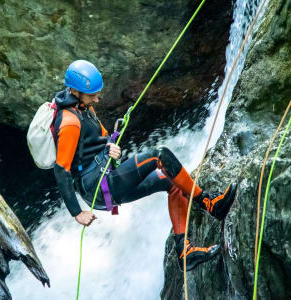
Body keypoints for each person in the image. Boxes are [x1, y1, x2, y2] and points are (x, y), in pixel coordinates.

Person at [52, 60, 237, 272]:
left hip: (105, 175)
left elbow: (100, 138)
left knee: (173, 183)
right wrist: (77, 213)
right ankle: (209, 204)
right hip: (98, 188)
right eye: (92, 94)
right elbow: (62, 170)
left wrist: (111, 147)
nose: (97, 98)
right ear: (75, 91)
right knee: (159, 156)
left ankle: (185, 251)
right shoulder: (69, 122)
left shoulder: (84, 107)